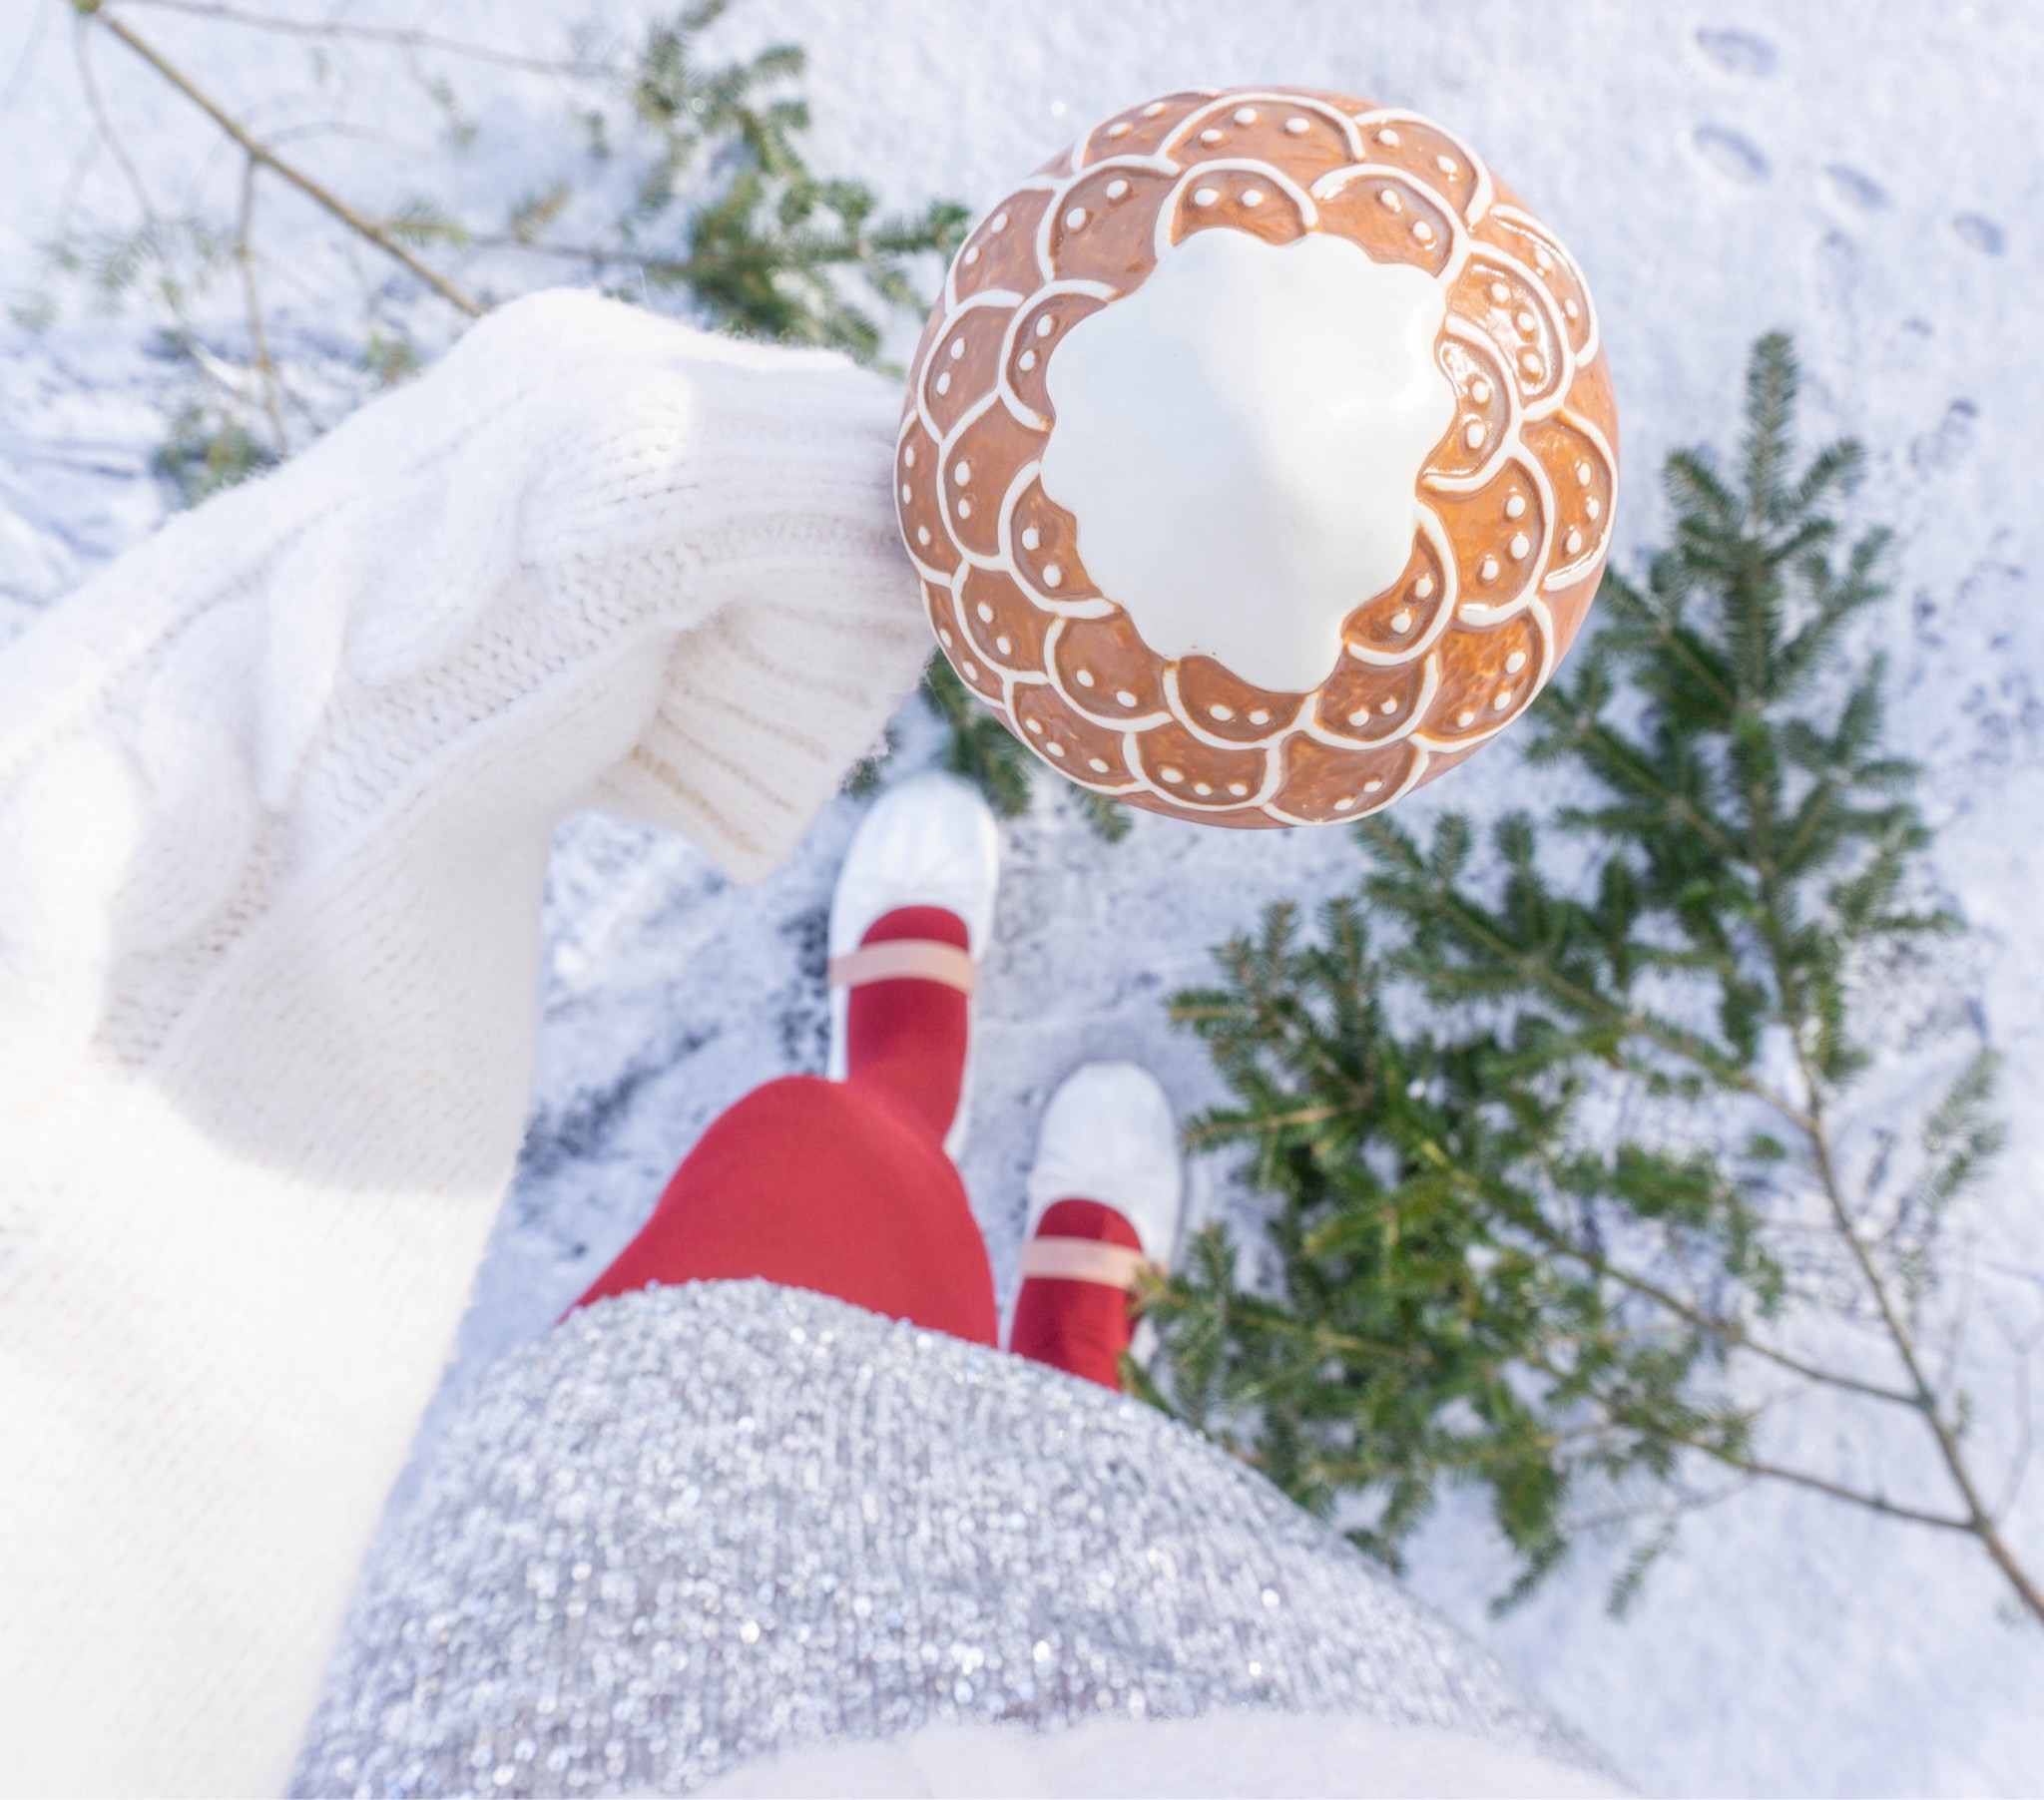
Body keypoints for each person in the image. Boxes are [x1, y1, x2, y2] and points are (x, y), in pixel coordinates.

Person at [0, 290, 1615, 1797]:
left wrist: (674, 512)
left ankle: (905, 1090)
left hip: (601, 1671)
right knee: (1097, 1507)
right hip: (1262, 1718)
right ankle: (1076, 1349)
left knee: (816, 1158)